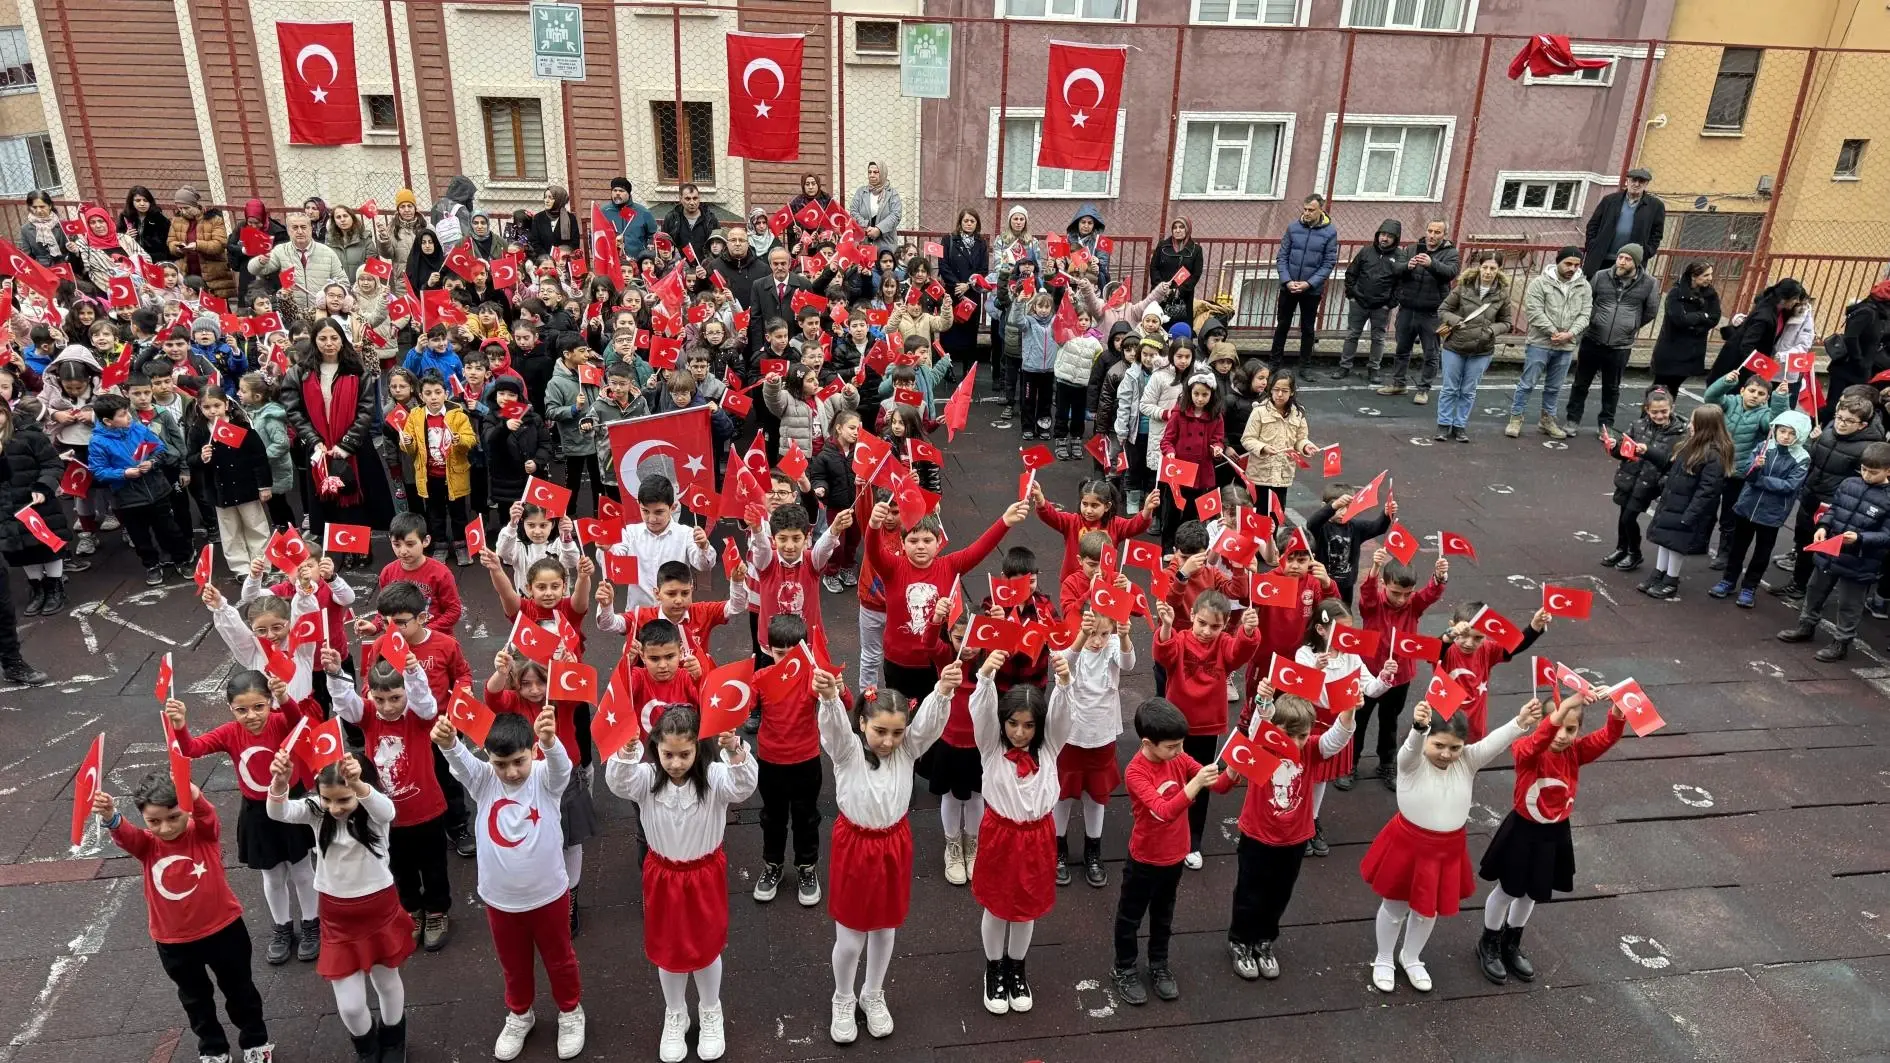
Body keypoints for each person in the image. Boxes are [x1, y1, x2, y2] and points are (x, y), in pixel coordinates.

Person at [1361, 697, 1545, 994]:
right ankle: (1384, 958)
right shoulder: (1411, 763)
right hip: (1408, 845)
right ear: (1426, 741)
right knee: (1395, 905)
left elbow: (1493, 743)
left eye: (1455, 747)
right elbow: (1409, 749)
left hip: (1445, 850)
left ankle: (1411, 957)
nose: (1447, 754)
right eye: (1439, 746)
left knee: (1427, 910)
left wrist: (1521, 722)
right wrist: (1418, 728)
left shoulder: (1467, 761)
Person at [605, 705, 757, 1063]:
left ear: (698, 749)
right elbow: (618, 782)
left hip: (703, 874)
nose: (675, 762)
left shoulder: (715, 777)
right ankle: (675, 1012)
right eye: (667, 753)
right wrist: (627, 752)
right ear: (655, 746)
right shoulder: (645, 779)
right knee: (669, 950)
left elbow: (744, 785)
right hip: (663, 874)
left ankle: (710, 1009)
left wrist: (735, 750)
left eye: (684, 754)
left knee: (706, 948)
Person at [436, 704, 586, 1060]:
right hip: (500, 901)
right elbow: (460, 764)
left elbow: (562, 769)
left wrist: (551, 743)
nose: (511, 772)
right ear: (489, 760)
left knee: (560, 959)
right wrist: (448, 743)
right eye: (500, 764)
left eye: (518, 761)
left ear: (531, 752)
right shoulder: (484, 780)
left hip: (549, 895)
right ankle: (520, 1013)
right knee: (513, 965)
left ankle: (570, 1011)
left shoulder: (543, 779)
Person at [94, 774, 275, 1063]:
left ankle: (256, 1040)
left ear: (187, 810)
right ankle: (213, 1047)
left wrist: (195, 795)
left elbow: (208, 817)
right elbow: (126, 835)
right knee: (195, 999)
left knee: (240, 990)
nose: (165, 828)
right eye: (153, 821)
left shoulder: (201, 833)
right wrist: (110, 815)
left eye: (173, 817)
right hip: (174, 940)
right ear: (144, 818)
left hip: (224, 930)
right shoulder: (147, 844)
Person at [816, 666, 951, 1044]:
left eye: (896, 732)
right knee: (850, 937)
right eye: (879, 731)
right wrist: (828, 699)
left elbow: (926, 727)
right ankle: (842, 996)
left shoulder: (908, 749)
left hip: (894, 844)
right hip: (856, 846)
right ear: (862, 723)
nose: (889, 741)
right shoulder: (847, 752)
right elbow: (835, 730)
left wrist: (941, 690)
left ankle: (872, 992)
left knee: (885, 929)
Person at [266, 750, 413, 1062]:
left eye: (344, 800)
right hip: (336, 916)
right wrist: (279, 782)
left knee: (387, 982)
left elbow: (386, 811)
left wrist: (359, 785)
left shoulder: (373, 811)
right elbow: (279, 813)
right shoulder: (317, 811)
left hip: (379, 909)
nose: (334, 808)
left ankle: (394, 1041)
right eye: (328, 799)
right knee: (350, 1003)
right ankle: (367, 1049)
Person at [1475, 691, 1623, 985]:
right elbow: (1536, 743)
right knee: (1508, 890)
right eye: (1556, 726)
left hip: (1553, 833)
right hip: (1523, 830)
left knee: (1532, 892)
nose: (1562, 735)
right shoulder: (1526, 750)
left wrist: (1617, 716)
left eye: (1571, 729)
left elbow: (1604, 738)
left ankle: (1511, 942)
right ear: (1543, 724)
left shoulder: (1575, 752)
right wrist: (1562, 711)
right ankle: (1488, 942)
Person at [969, 652, 1072, 1016]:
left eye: (1029, 725)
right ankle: (994, 967)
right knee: (997, 907)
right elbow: (981, 712)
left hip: (1037, 837)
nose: (1019, 732)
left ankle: (1017, 968)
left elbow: (1062, 716)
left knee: (1026, 909)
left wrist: (1063, 681)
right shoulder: (990, 747)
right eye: (1013, 723)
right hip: (1001, 834)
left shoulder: (1050, 747)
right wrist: (985, 675)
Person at [1223, 691, 1342, 982]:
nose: (1297, 743)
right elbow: (1254, 732)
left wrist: (1349, 711)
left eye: (1303, 735)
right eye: (1290, 735)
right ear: (1274, 731)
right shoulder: (1262, 748)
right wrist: (1263, 702)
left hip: (1295, 838)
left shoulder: (1310, 750)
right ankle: (1240, 940)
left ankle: (1264, 939)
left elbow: (1337, 737)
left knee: (1280, 892)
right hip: (1257, 835)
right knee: (1250, 891)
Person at [1151, 593, 1259, 867]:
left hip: (1208, 726)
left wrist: (1248, 630)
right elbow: (1163, 655)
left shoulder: (1223, 644)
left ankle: (1192, 838)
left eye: (1215, 626)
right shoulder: (1181, 639)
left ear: (1224, 626)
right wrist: (1165, 626)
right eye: (1202, 623)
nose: (1206, 631)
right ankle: (1167, 826)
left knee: (1201, 781)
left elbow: (1240, 652)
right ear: (1193, 616)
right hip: (1176, 725)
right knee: (1170, 777)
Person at [278, 321, 396, 559]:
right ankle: (343, 551)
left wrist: (346, 444)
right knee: (329, 501)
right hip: (319, 449)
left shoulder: (356, 370)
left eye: (334, 338)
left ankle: (361, 549)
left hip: (354, 448)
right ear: (314, 341)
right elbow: (294, 412)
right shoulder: (300, 372)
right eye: (323, 339)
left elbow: (366, 410)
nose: (329, 344)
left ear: (342, 340)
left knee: (356, 501)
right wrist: (314, 441)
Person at [1777, 441, 1890, 661]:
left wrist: (1860, 538)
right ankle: (1806, 625)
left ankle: (1841, 643)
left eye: (1873, 472)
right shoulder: (1849, 483)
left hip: (1859, 561)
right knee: (1814, 590)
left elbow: (1886, 536)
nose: (1866, 475)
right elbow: (1833, 510)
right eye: (1864, 469)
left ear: (1888, 471)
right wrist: (1823, 527)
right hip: (1829, 552)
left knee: (1850, 604)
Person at [1775, 392, 1883, 602]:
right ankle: (1797, 584)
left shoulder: (1867, 449)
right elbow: (1815, 460)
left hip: (1831, 507)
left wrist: (1832, 504)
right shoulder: (1829, 430)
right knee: (1803, 541)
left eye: (1849, 421)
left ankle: (1811, 593)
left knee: (1823, 552)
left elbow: (1856, 483)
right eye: (1839, 417)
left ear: (1862, 425)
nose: (1841, 424)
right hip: (1810, 497)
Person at [1711, 411, 1811, 607]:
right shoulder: (1763, 447)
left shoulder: (1802, 458)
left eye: (1792, 433)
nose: (1785, 436)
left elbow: (1789, 486)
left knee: (1762, 553)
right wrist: (1755, 467)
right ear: (1775, 430)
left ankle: (1749, 587)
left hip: (1772, 514)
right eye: (1782, 431)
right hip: (1747, 507)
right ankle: (1728, 580)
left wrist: (1760, 479)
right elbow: (1747, 474)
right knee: (1737, 548)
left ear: (1800, 435)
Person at [1640, 404, 1732, 600]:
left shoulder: (1712, 456)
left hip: (1686, 508)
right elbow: (1670, 464)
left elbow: (1707, 491)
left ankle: (1671, 579)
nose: (1690, 425)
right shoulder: (1690, 445)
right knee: (1665, 541)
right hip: (1674, 503)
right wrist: (1648, 452)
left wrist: (1691, 514)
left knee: (1676, 544)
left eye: (1694, 422)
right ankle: (1659, 573)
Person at [1565, 244, 1659, 435]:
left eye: (1627, 259)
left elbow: (1651, 311)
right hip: (1593, 339)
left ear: (1637, 262)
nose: (1622, 262)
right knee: (1580, 383)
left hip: (1620, 345)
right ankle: (1572, 420)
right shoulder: (1601, 276)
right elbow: (1587, 302)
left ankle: (1605, 425)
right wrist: (1594, 321)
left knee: (1611, 387)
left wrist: (1630, 325)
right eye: (1620, 257)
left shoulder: (1649, 283)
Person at [1701, 370, 1788, 567]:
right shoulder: (1729, 402)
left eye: (1761, 394)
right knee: (1706, 506)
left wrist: (1781, 399)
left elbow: (1775, 424)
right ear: (1742, 390)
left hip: (1739, 473)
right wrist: (1725, 381)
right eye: (1752, 390)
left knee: (1730, 515)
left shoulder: (1765, 414)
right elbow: (1711, 397)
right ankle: (1700, 541)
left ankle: (1725, 552)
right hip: (1715, 466)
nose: (1755, 396)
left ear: (1767, 398)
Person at [1509, 246, 1590, 439]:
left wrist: (1570, 333)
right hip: (1540, 343)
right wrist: (1554, 331)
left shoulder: (1584, 286)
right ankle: (1516, 418)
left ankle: (1547, 420)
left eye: (1576, 265)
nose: (1572, 268)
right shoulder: (1540, 283)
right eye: (1568, 264)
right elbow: (1534, 311)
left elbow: (1585, 313)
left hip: (1566, 344)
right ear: (1558, 262)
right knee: (1527, 383)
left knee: (1554, 387)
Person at [1600, 388, 1686, 572]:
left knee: (1629, 518)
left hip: (1649, 483)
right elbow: (1624, 452)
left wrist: (1662, 482)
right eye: (1654, 412)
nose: (1659, 415)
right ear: (1647, 409)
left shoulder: (1679, 434)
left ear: (1672, 408)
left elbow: (1670, 463)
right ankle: (1621, 548)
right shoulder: (1638, 425)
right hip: (1629, 477)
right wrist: (1614, 447)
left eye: (1664, 411)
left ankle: (1634, 552)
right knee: (1623, 517)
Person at [1431, 253, 1512, 443]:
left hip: (1482, 349)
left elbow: (1506, 322)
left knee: (1468, 390)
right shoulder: (1463, 287)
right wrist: (1456, 320)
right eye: (1485, 267)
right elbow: (1443, 310)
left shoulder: (1502, 294)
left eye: (1493, 268)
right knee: (1450, 388)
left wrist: (1492, 330)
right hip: (1455, 346)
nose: (1488, 272)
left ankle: (1459, 426)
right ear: (1479, 267)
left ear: (1499, 270)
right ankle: (1443, 425)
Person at [0, 399, 70, 617]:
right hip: (6, 508)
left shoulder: (29, 435)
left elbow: (52, 464)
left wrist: (43, 486)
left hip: (36, 502)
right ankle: (37, 587)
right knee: (21, 550)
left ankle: (55, 587)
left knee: (48, 546)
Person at [1378, 219, 1459, 404]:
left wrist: (1431, 264)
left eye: (1437, 232)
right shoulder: (1412, 249)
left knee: (1431, 353)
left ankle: (1423, 389)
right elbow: (1396, 269)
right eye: (1430, 231)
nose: (1432, 235)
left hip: (1431, 312)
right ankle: (1399, 383)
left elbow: (1450, 273)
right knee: (1402, 349)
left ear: (1444, 235)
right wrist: (1408, 266)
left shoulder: (1451, 253)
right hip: (1407, 308)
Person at [1270, 195, 1337, 374]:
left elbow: (1328, 263)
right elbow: (1282, 256)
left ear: (1320, 210)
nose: (1306, 213)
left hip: (1311, 291)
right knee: (1282, 325)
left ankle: (1305, 367)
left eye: (1311, 210)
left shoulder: (1330, 232)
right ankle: (1274, 363)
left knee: (1307, 328)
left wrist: (1309, 283)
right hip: (1288, 287)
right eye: (1305, 209)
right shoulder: (1293, 228)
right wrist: (1287, 280)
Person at [1241, 372, 1316, 514]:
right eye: (1276, 390)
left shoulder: (1298, 413)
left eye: (1285, 391)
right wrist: (1263, 448)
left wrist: (1305, 446)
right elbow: (1247, 439)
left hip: (1283, 476)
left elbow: (1300, 438)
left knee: (1276, 517)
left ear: (1292, 392)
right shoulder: (1259, 412)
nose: (1280, 394)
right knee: (1258, 517)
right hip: (1260, 476)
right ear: (1270, 390)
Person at [1708, 278, 1811, 381]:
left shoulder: (1778, 311)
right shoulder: (1764, 316)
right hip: (1736, 366)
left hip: (1748, 365)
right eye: (1795, 298)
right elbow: (1747, 346)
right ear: (1785, 298)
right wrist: (1760, 370)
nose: (1797, 302)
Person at [1337, 220, 1401, 383]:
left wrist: (1390, 303)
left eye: (1389, 236)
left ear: (1396, 238)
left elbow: (1401, 284)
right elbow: (1351, 274)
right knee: (1352, 334)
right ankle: (1344, 366)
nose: (1385, 239)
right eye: (1383, 234)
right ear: (1378, 235)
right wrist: (1351, 295)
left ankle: (1374, 369)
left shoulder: (1400, 257)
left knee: (1378, 338)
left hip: (1382, 306)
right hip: (1359, 302)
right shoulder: (1366, 252)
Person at [249, 212, 349, 315]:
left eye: (303, 227)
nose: (300, 231)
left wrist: (329, 301)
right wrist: (260, 261)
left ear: (310, 228)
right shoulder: (281, 250)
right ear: (288, 230)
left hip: (322, 313)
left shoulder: (328, 252)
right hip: (292, 313)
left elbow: (343, 282)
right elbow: (254, 269)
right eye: (295, 227)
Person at [1650, 260, 1722, 397]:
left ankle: (1667, 414)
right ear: (1693, 276)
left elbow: (1714, 318)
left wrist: (1695, 319)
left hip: (1692, 350)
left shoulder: (1710, 294)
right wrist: (1702, 316)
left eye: (1711, 274)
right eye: (1706, 275)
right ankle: (1648, 415)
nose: (1710, 279)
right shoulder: (1676, 293)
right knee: (1660, 386)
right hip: (1672, 348)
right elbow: (1679, 320)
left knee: (1674, 387)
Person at [1581, 167, 1665, 279]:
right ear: (1627, 181)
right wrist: (1592, 244)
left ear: (1646, 184)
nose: (1636, 184)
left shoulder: (1655, 206)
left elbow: (1657, 233)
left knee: (1625, 293)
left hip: (1631, 262)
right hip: (1602, 257)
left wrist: (1647, 251)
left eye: (1641, 181)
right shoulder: (1610, 200)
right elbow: (1593, 225)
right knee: (1595, 290)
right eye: (1633, 180)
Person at [938, 209, 990, 381]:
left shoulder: (981, 243)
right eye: (966, 220)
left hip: (971, 294)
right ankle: (947, 369)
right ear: (960, 222)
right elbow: (943, 265)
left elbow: (983, 270)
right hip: (952, 294)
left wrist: (967, 285)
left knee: (969, 332)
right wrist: (956, 285)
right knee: (949, 331)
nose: (969, 224)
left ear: (977, 224)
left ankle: (968, 370)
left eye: (972, 221)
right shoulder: (948, 240)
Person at [168, 187, 237, 300]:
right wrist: (178, 248)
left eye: (186, 208)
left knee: (216, 306)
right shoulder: (177, 220)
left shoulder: (213, 219)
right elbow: (171, 242)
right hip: (187, 272)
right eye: (180, 208)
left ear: (195, 205)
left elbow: (219, 244)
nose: (183, 211)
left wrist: (197, 245)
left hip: (212, 274)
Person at [1150, 218, 1203, 325]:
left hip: (1182, 298)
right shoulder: (1162, 245)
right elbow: (1154, 267)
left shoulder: (1196, 249)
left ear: (1188, 229)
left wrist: (1178, 292)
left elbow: (1196, 274)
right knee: (1156, 326)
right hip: (1161, 293)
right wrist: (1161, 286)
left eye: (1181, 227)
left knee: (1178, 331)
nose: (1177, 230)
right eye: (1175, 227)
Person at [849, 162, 904, 253]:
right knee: (865, 266)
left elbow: (896, 215)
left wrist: (879, 229)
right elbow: (853, 211)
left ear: (882, 173)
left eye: (875, 172)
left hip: (886, 244)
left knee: (884, 265)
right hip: (864, 243)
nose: (872, 175)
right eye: (869, 172)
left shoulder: (892, 194)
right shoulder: (861, 192)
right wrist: (866, 227)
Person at [119, 184, 173, 263]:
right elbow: (118, 241)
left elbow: (166, 247)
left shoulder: (160, 219)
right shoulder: (125, 218)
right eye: (138, 200)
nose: (142, 204)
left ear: (150, 202)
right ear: (131, 202)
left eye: (145, 200)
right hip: (133, 261)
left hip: (156, 260)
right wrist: (126, 237)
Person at [528, 186, 582, 260]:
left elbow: (574, 243)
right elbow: (535, 242)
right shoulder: (538, 218)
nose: (546, 200)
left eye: (550, 198)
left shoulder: (570, 218)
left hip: (564, 260)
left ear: (559, 200)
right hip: (544, 261)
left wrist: (562, 258)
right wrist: (548, 259)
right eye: (545, 197)